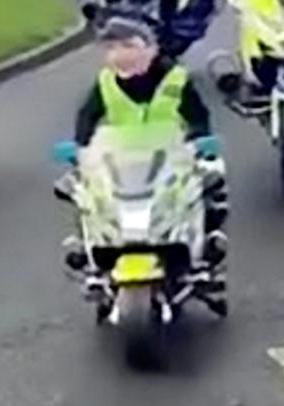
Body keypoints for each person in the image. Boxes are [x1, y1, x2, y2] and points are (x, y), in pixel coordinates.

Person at [60, 14, 228, 264]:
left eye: (129, 46)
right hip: (120, 159)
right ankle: (90, 251)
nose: (120, 56)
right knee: (86, 196)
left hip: (171, 156)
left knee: (210, 185)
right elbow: (87, 116)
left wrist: (202, 143)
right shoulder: (106, 82)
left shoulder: (176, 78)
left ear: (151, 49)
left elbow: (198, 117)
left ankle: (205, 246)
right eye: (111, 48)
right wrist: (79, 148)